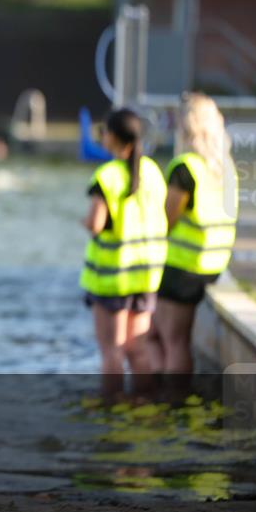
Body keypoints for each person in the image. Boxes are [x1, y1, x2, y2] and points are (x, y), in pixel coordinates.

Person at [147, 93, 238, 373]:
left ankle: (171, 401)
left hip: (184, 267)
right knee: (175, 339)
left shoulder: (185, 168)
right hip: (214, 263)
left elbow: (167, 218)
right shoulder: (226, 167)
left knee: (167, 339)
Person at [79, 109, 168, 378]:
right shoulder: (153, 171)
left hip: (113, 279)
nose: (102, 136)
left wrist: (84, 222)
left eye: (104, 131)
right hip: (146, 276)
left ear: (114, 137)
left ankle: (110, 412)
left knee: (112, 351)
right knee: (137, 350)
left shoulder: (107, 176)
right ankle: (143, 406)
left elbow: (96, 223)